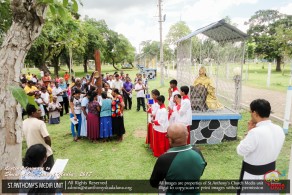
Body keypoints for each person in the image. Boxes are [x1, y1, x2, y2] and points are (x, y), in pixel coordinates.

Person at [236, 99, 285, 194]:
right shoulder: (279, 129)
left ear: (255, 113)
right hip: (271, 174)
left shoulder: (255, 133)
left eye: (250, 112)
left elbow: (241, 151)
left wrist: (248, 132)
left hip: (253, 176)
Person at [150, 123, 207, 194]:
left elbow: (154, 183)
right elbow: (201, 171)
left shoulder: (164, 159)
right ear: (187, 135)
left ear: (170, 140)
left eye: (167, 136)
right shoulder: (197, 152)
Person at [23, 104, 54, 172]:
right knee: (48, 173)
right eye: (38, 110)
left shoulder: (23, 122)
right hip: (44, 153)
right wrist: (49, 147)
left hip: (32, 153)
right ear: (33, 113)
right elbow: (47, 138)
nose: (40, 111)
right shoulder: (40, 123)